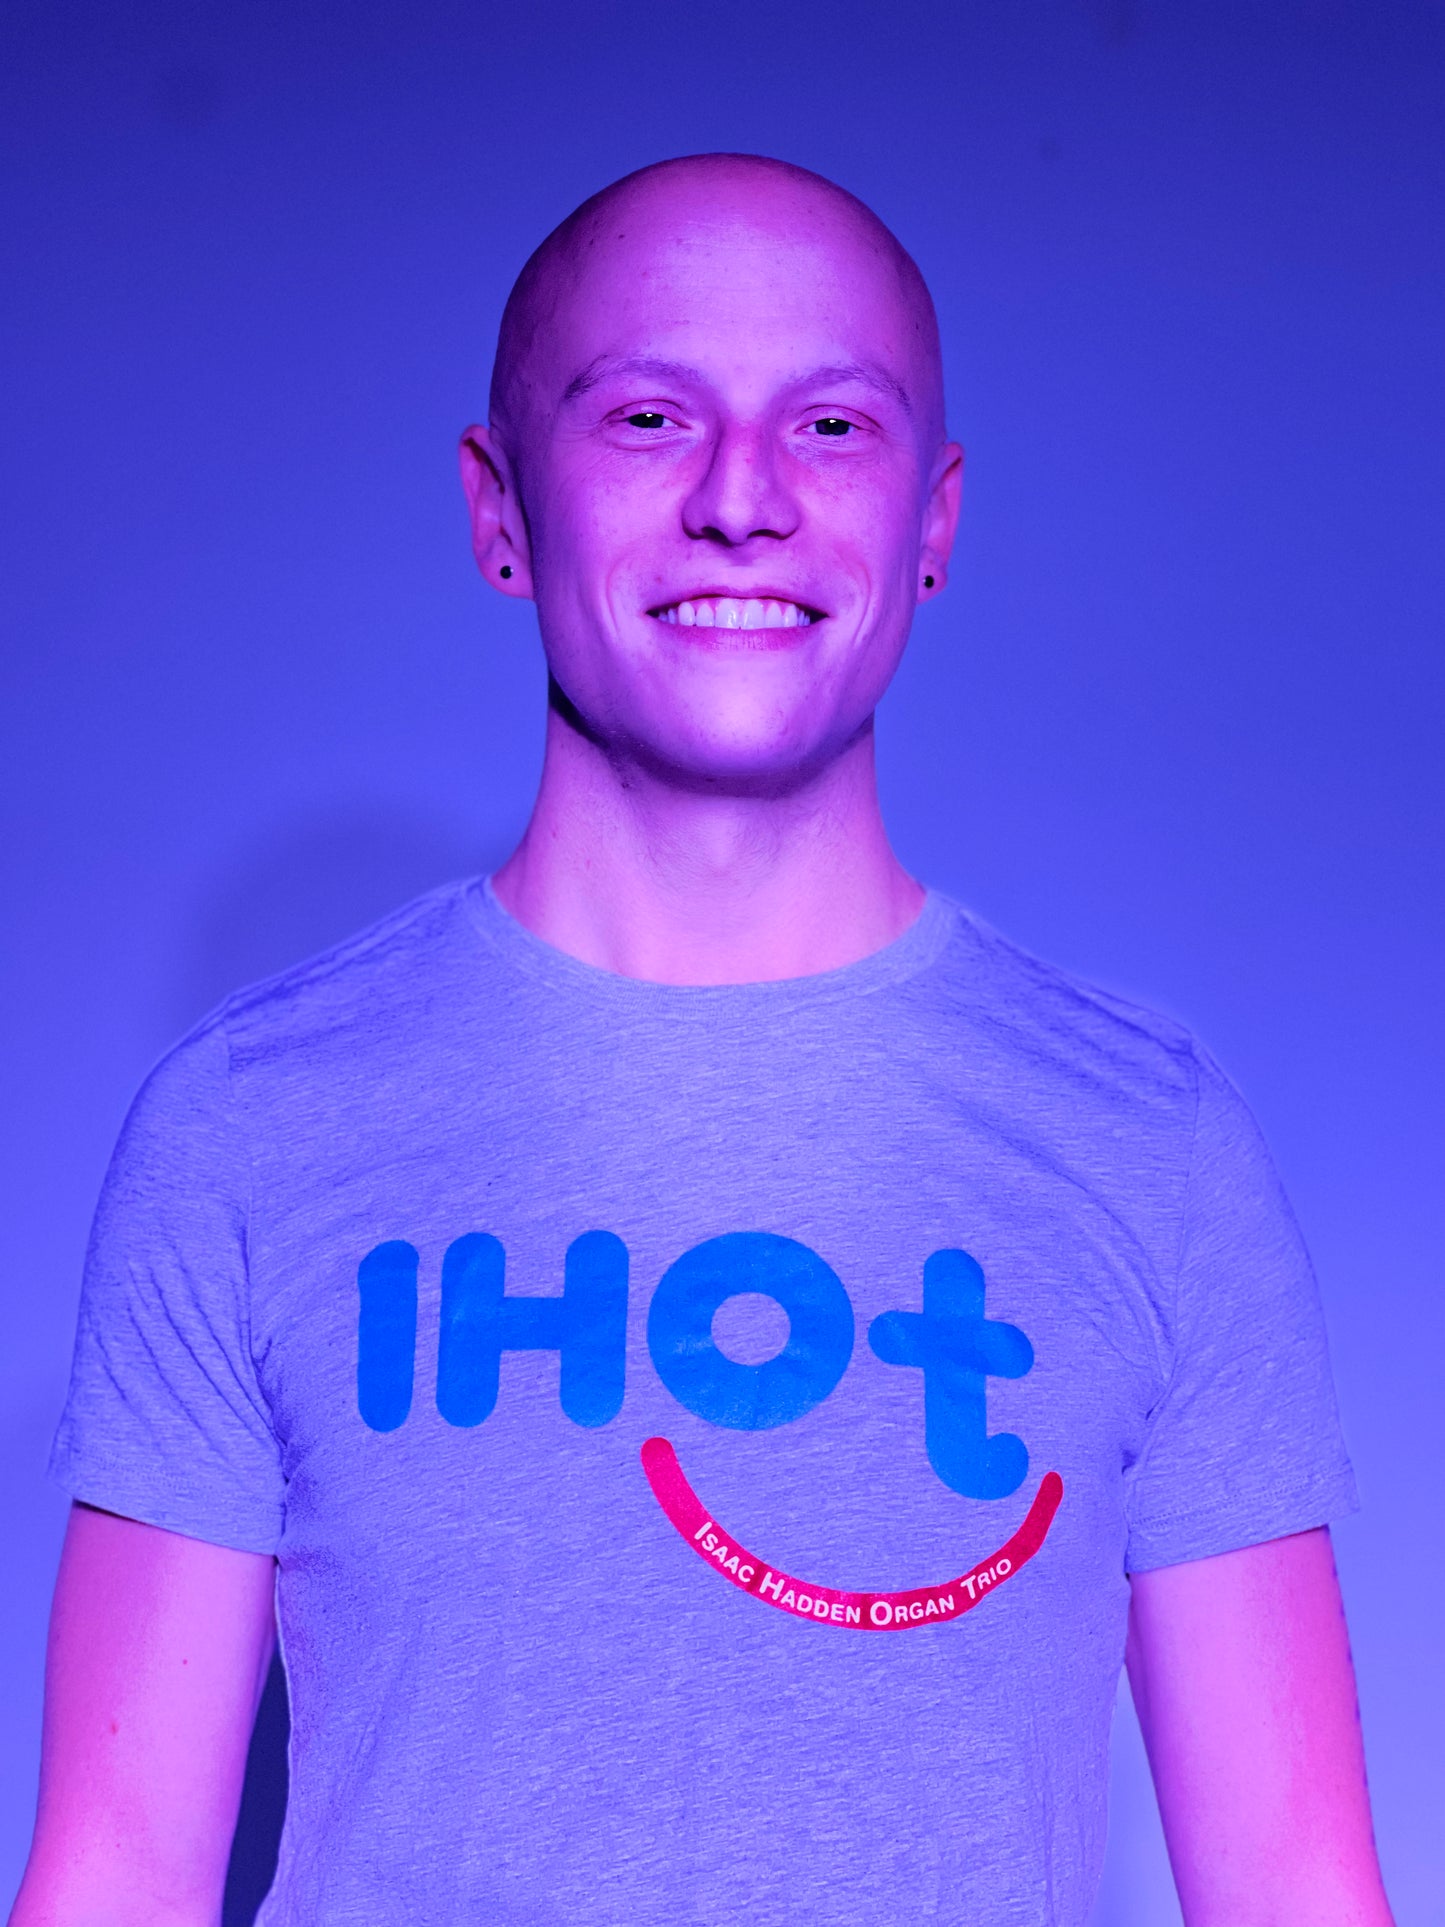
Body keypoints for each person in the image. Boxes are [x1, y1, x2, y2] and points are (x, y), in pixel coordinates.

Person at [12, 154, 1393, 1927]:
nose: (742, 499)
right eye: (650, 416)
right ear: (497, 508)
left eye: (831, 426)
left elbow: (1295, 1883)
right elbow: (114, 1871)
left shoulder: (1149, 1141)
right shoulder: (247, 1125)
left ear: (935, 521)